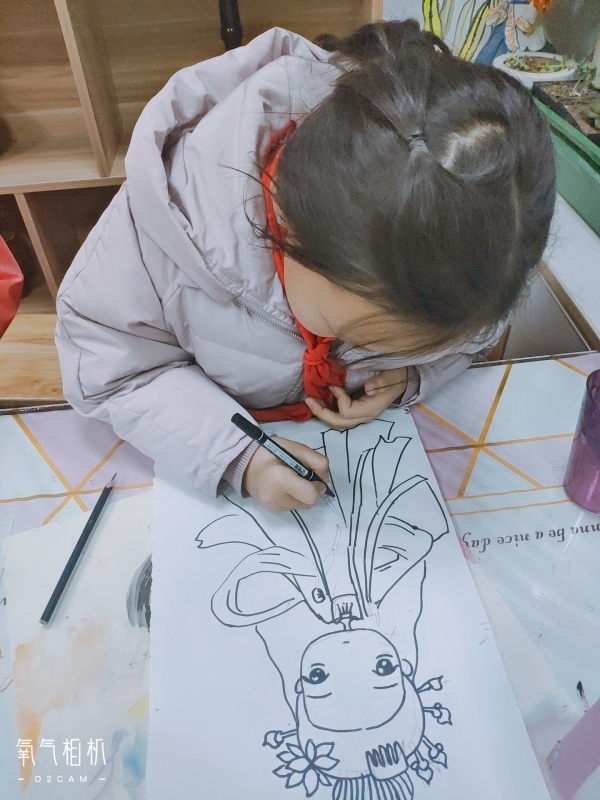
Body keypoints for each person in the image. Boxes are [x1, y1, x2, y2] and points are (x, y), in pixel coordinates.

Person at [55, 20, 556, 513]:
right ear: (287, 222)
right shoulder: (169, 227)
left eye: (396, 347)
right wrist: (238, 457)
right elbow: (112, 371)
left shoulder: (484, 267)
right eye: (356, 335)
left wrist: (410, 375)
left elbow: (475, 338)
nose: (368, 354)